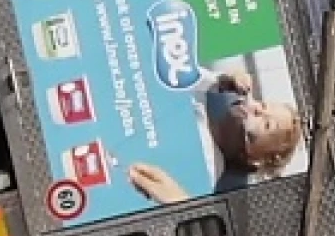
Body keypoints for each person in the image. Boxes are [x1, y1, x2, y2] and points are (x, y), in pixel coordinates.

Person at [126, 70, 302, 205]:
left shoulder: (205, 170)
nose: (256, 109)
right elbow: (173, 70)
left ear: (254, 159)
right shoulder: (204, 95)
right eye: (263, 105)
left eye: (267, 124)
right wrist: (222, 80)